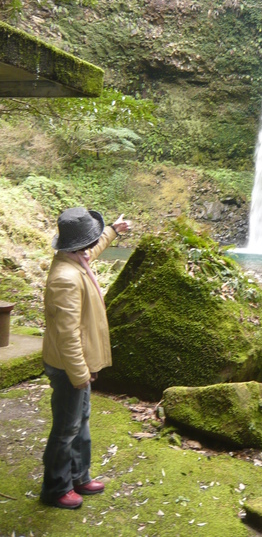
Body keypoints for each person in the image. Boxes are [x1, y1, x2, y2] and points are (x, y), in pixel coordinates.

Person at [40, 207, 131, 510]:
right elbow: (68, 337)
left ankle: (79, 476)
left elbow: (95, 249)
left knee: (81, 422)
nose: (93, 244)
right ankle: (55, 488)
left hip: (77, 363)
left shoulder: (76, 259)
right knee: (66, 429)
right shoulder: (65, 278)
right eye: (91, 238)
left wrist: (114, 231)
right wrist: (80, 374)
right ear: (80, 244)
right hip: (68, 366)